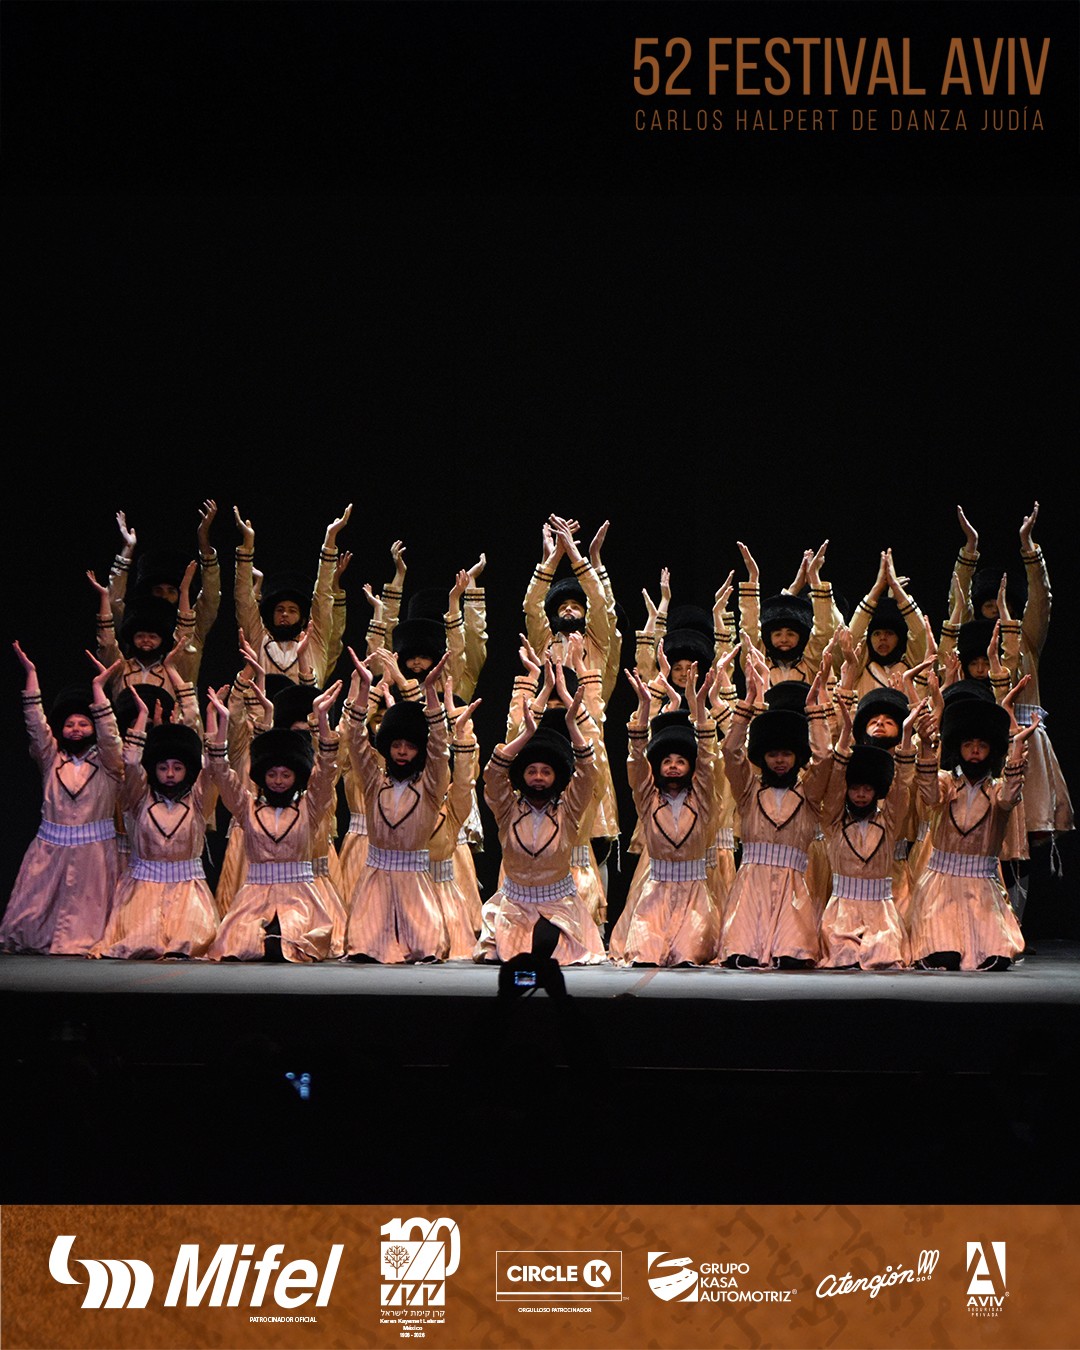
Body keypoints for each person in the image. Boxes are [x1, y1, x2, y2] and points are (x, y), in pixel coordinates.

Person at [475, 662, 606, 965]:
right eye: (531, 770)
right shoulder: (508, 809)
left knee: (547, 946)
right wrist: (526, 736)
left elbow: (588, 774)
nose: (538, 777)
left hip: (557, 905)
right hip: (514, 903)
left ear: (556, 777)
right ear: (522, 775)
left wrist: (572, 724)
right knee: (511, 954)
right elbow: (493, 775)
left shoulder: (567, 811)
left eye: (546, 772)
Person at [205, 680, 343, 962]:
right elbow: (223, 775)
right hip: (254, 897)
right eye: (272, 775)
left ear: (296, 776)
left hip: (300, 897)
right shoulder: (247, 807)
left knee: (296, 938)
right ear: (262, 776)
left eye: (285, 775)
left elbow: (326, 773)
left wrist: (322, 721)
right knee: (241, 943)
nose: (278, 781)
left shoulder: (308, 807)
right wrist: (222, 723)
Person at [1, 645, 124, 954]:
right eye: (70, 725)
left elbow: (111, 737)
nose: (76, 730)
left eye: (83, 724)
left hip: (94, 849)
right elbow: (35, 725)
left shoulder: (108, 763)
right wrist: (31, 675)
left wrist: (99, 690)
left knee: (88, 909)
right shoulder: (51, 757)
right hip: (51, 845)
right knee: (34, 911)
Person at [907, 687, 1039, 970]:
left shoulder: (997, 791)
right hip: (941, 884)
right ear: (959, 748)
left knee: (996, 958)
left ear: (991, 750)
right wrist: (926, 746)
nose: (975, 750)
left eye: (982, 745)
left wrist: (1017, 750)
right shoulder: (945, 783)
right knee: (946, 956)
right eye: (968, 744)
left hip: (981, 886)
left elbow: (1010, 796)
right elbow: (929, 794)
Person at [718, 647, 833, 969]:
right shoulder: (749, 790)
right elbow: (731, 751)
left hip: (794, 888)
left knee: (793, 955)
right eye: (772, 755)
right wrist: (747, 705)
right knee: (741, 955)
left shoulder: (809, 792)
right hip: (750, 886)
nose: (780, 761)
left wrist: (815, 713)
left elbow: (825, 759)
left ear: (797, 756)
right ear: (763, 756)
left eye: (786, 754)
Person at [342, 652, 452, 963]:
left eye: (410, 746)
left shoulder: (429, 787)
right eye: (396, 745)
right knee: (364, 949)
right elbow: (355, 741)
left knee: (425, 949)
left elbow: (440, 750)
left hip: (414, 880)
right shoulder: (374, 782)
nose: (402, 752)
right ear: (387, 747)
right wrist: (364, 691)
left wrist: (430, 695)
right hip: (375, 879)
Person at [609, 664, 721, 966]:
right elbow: (636, 761)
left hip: (694, 897)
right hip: (655, 894)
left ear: (690, 767)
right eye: (667, 761)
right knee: (643, 955)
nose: (673, 766)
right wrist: (645, 708)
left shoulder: (701, 799)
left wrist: (699, 707)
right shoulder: (648, 798)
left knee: (687, 956)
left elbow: (707, 761)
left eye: (681, 761)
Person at [93, 705, 217, 959]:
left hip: (187, 889)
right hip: (143, 888)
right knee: (141, 942)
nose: (170, 774)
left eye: (177, 768)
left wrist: (213, 718)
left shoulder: (198, 800)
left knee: (188, 942)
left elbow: (213, 768)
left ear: (188, 770)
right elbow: (130, 762)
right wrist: (142, 716)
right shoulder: (139, 798)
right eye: (163, 768)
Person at [817, 697, 920, 969]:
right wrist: (845, 734)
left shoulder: (888, 822)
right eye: (855, 788)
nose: (861, 794)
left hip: (881, 913)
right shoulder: (834, 822)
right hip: (841, 913)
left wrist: (907, 735)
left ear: (876, 791)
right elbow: (834, 786)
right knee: (842, 955)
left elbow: (901, 786)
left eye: (867, 789)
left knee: (884, 955)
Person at [232, 503, 350, 686]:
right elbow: (243, 600)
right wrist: (247, 545)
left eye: (292, 610)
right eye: (279, 610)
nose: (285, 614)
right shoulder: (259, 640)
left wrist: (330, 538)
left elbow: (323, 596)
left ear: (303, 619)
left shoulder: (314, 642)